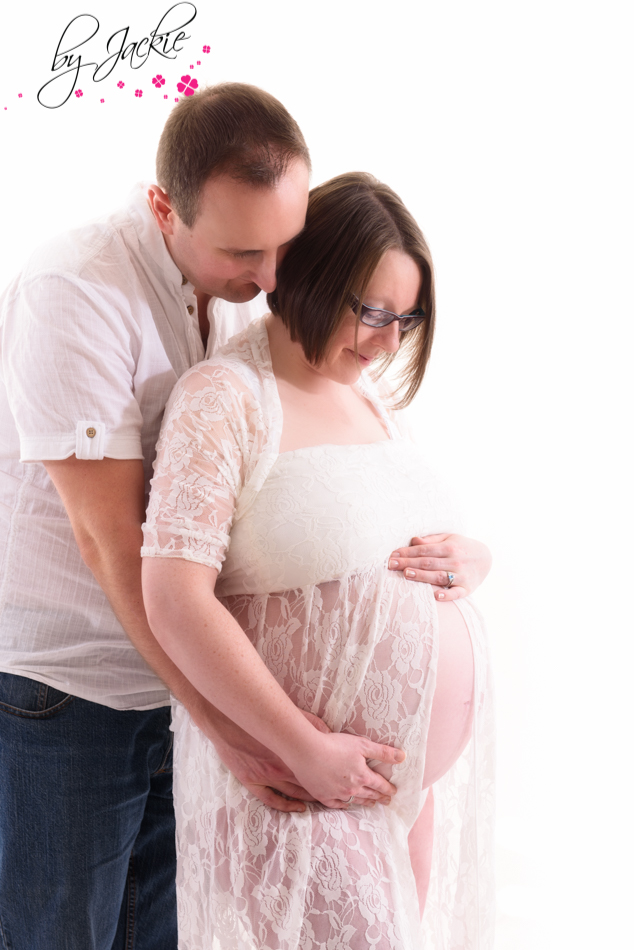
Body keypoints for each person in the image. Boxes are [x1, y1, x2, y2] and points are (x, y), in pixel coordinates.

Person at [0, 86, 491, 948]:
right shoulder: (75, 291)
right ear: (164, 208)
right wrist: (238, 730)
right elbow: (114, 546)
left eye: (285, 247)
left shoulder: (249, 289)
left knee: (164, 931)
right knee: (62, 932)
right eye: (243, 252)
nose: (270, 281)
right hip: (73, 687)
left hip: (184, 691)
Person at [141, 172, 495, 950]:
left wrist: (473, 560)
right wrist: (305, 750)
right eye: (370, 311)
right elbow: (172, 596)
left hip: (398, 792)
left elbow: (398, 544)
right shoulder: (223, 398)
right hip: (302, 788)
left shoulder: (370, 403)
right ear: (310, 276)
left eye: (407, 318)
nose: (386, 341)